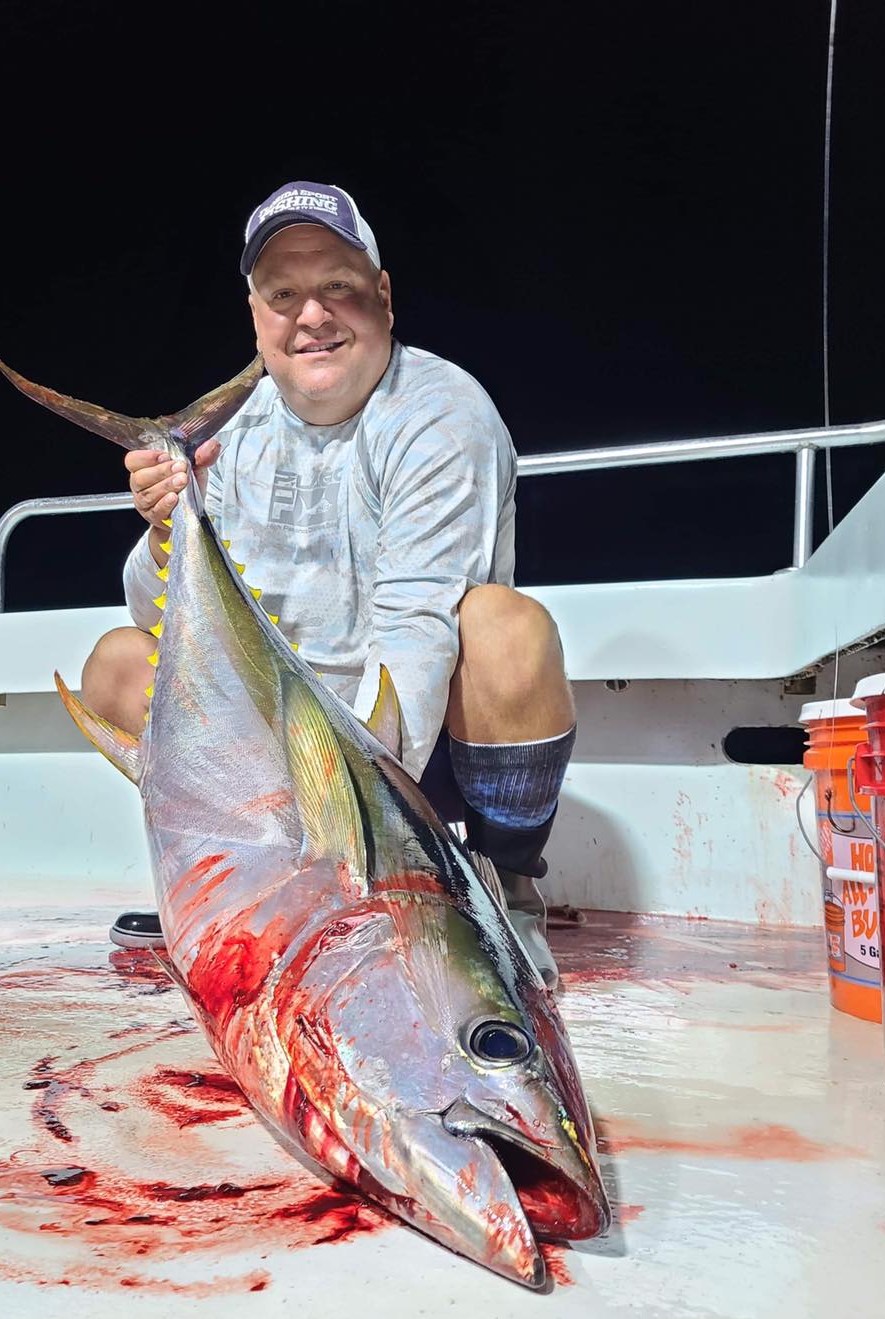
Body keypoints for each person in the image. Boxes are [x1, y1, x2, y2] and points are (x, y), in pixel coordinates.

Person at [81, 182, 576, 982]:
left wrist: (351, 831)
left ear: (382, 296)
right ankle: (225, 887)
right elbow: (162, 619)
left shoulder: (439, 413)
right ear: (256, 317)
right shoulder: (226, 433)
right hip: (270, 751)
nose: (311, 315)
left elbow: (418, 628)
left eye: (337, 286)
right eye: (284, 295)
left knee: (503, 629)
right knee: (118, 663)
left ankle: (500, 894)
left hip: (417, 744)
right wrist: (166, 527)